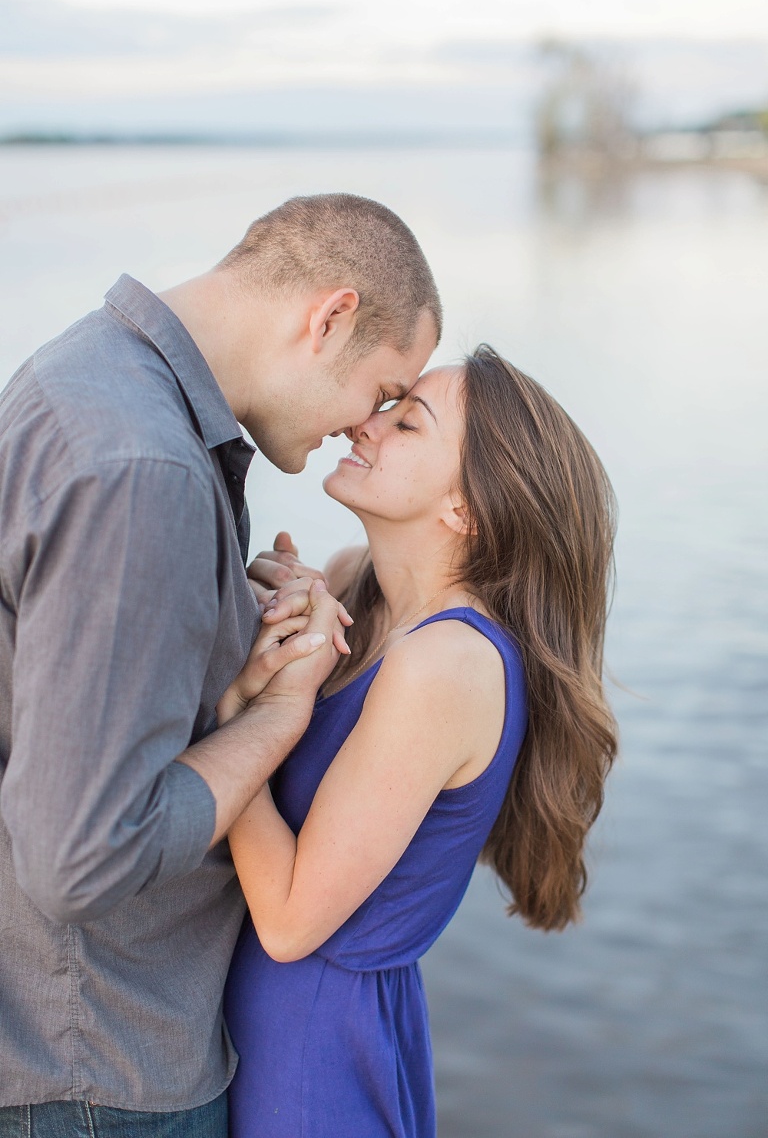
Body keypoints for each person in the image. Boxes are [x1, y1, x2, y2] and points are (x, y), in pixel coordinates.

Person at [0, 194, 440, 1137]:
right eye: (386, 391)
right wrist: (277, 718)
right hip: (100, 1069)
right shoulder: (141, 467)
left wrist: (225, 616)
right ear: (329, 318)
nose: (366, 424)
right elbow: (81, 857)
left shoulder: (85, 376)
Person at [222, 346, 619, 1138]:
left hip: (308, 1053)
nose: (363, 424)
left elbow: (292, 918)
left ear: (465, 508)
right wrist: (263, 606)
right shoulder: (354, 587)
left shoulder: (449, 663)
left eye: (406, 422)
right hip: (253, 1021)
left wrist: (239, 717)